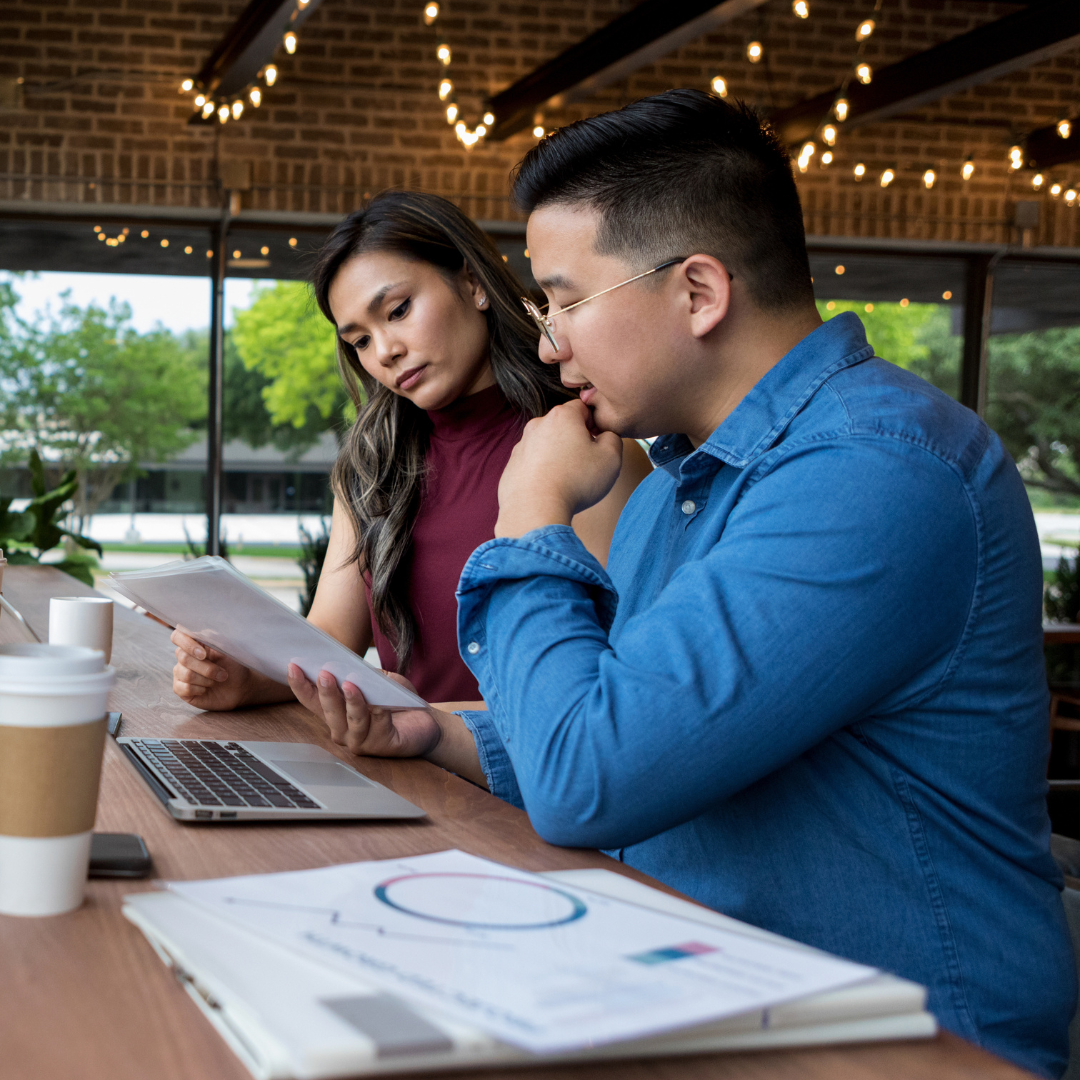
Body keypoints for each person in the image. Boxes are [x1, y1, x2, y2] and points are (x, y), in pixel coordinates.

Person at [289, 89, 1073, 1076]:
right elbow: (628, 717)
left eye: (567, 299)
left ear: (697, 292)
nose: (547, 343)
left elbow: (591, 778)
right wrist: (436, 729)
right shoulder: (675, 488)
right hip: (701, 990)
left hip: (898, 1042)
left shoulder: (879, 472)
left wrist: (530, 517)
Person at [170, 191, 650, 711]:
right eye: (359, 341)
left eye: (398, 310)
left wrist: (417, 727)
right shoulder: (371, 465)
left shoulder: (588, 447)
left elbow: (610, 683)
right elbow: (332, 637)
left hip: (530, 783)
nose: (384, 352)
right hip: (397, 772)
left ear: (472, 283)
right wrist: (248, 678)